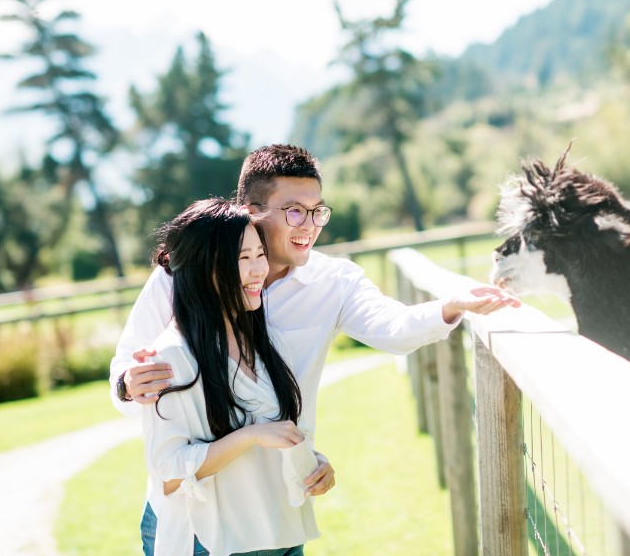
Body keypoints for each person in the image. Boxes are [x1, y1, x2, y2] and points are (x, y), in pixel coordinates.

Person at [109, 144, 520, 554]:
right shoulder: (178, 280)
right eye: (293, 210)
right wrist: (130, 384)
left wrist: (450, 306)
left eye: (317, 210)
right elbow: (131, 376)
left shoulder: (333, 281)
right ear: (249, 211)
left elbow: (393, 327)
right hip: (200, 523)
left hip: (280, 518)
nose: (308, 225)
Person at [143, 198, 320, 556]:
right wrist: (250, 436)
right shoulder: (172, 357)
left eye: (260, 255)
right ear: (206, 269)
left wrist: (315, 461)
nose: (259, 270)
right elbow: (169, 471)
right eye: (243, 258)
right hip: (218, 543)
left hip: (283, 535)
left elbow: (275, 432)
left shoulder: (265, 341)